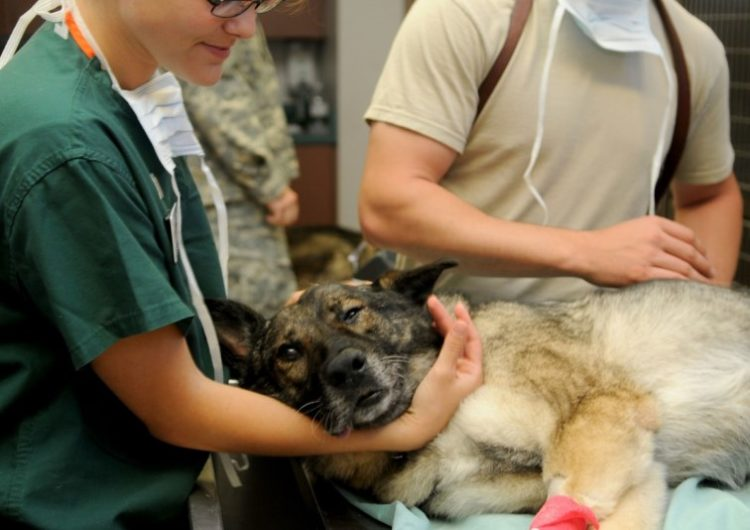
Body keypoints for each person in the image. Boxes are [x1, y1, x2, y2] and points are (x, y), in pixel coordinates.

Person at [0, 1, 483, 529]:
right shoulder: (68, 148)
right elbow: (177, 407)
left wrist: (313, 320)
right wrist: (408, 427)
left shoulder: (123, 96)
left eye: (261, 4)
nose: (248, 26)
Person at [359, 0, 743, 304]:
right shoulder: (465, 13)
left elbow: (710, 194)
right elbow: (389, 204)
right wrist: (586, 252)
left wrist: (698, 311)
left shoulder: (693, 47)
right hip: (461, 343)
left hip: (620, 348)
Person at [182, 24, 300, 318]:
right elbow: (217, 101)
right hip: (231, 198)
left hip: (224, 192)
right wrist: (270, 186)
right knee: (258, 324)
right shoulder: (223, 11)